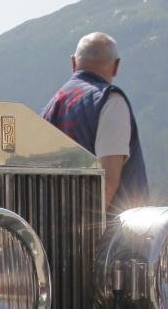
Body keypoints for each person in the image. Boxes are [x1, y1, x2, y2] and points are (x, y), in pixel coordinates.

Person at [40, 32, 148, 214]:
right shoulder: (110, 100)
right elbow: (108, 180)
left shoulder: (52, 106)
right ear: (116, 66)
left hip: (55, 219)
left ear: (73, 63)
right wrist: (86, 230)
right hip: (112, 226)